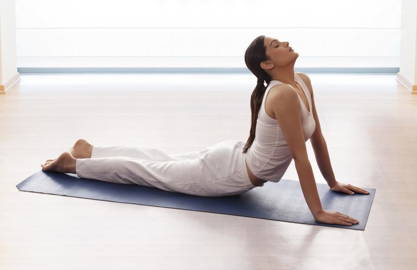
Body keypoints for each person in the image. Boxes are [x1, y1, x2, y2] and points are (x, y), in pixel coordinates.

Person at [41, 35, 369, 226]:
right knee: (150, 171)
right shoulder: (282, 94)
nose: (284, 42)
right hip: (228, 173)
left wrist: (334, 182)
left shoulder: (302, 81)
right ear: (267, 65)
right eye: (275, 44)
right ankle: (74, 164)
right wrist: (318, 211)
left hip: (232, 158)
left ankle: (92, 150)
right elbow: (300, 157)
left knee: (161, 160)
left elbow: (318, 140)